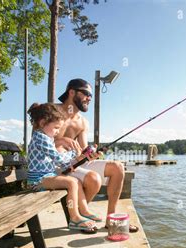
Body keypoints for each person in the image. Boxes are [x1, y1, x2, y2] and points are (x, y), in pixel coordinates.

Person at [55, 78, 139, 232]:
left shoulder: (83, 122)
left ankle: (110, 220)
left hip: (75, 163)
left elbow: (82, 151)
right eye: (86, 93)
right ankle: (79, 215)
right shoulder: (52, 111)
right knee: (94, 178)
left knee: (117, 167)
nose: (89, 98)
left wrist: (90, 154)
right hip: (56, 165)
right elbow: (38, 142)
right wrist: (60, 140)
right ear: (71, 92)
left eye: (91, 96)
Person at [27, 102, 101, 232]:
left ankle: (83, 211)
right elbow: (58, 158)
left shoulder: (46, 137)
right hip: (37, 180)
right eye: (56, 128)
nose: (57, 132)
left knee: (76, 181)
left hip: (47, 176)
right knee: (72, 182)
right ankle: (74, 218)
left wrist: (78, 158)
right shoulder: (41, 138)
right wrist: (74, 154)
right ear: (43, 122)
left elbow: (58, 161)